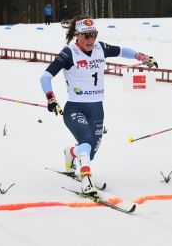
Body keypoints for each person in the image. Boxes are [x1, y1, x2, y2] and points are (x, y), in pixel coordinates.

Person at [40, 15, 158, 194]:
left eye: (94, 34)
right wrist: (51, 98)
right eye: (86, 35)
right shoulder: (68, 52)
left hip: (97, 109)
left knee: (89, 153)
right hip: (75, 108)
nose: (91, 39)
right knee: (86, 140)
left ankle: (70, 153)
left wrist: (141, 56)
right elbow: (45, 76)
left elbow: (121, 50)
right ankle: (86, 179)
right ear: (77, 35)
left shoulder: (100, 48)